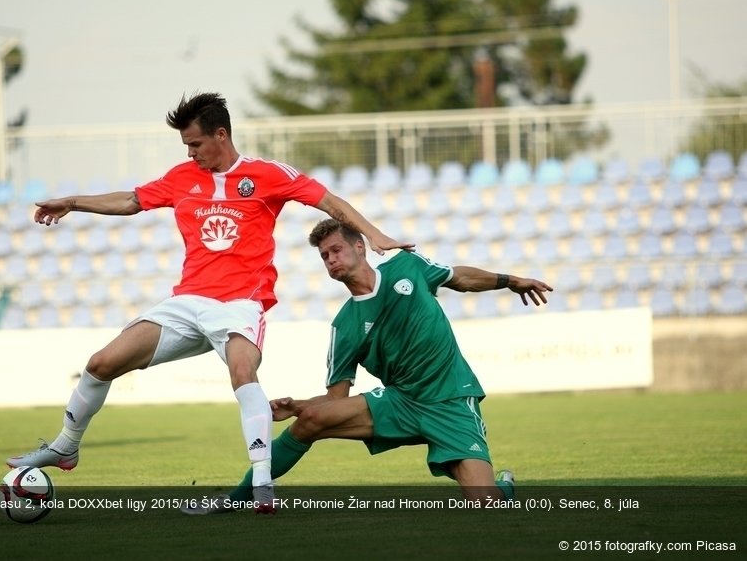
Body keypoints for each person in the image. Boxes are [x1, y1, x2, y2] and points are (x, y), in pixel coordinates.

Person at [6, 92, 412, 512]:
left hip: (240, 302)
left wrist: (375, 235)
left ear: (221, 134)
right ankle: (65, 447)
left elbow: (329, 202)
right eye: (186, 146)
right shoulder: (181, 177)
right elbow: (131, 201)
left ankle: (261, 485)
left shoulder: (267, 175)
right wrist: (72, 202)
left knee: (242, 370)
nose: (190, 152)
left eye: (195, 144)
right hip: (187, 302)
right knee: (100, 363)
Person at [183, 219, 553, 514]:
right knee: (310, 422)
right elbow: (336, 398)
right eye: (324, 256)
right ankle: (238, 497)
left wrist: (510, 281)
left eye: (336, 249)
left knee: (485, 503)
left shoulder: (407, 268)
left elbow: (461, 277)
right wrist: (299, 407)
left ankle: (502, 485)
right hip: (400, 402)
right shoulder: (344, 326)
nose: (331, 259)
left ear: (360, 247)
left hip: (450, 400)